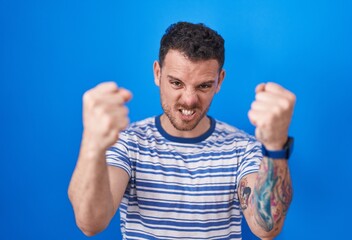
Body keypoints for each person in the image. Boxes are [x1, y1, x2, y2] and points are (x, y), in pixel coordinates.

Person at [68, 21, 296, 239]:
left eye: (204, 86)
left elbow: (266, 228)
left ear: (219, 81)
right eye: (176, 83)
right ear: (157, 73)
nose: (189, 100)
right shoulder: (128, 143)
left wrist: (275, 146)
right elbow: (90, 223)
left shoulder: (243, 148)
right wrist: (92, 143)